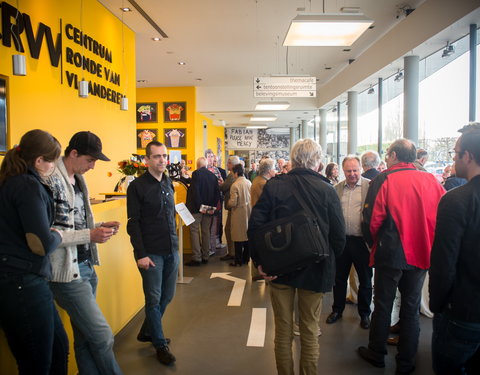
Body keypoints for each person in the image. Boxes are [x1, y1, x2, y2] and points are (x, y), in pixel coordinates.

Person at [249, 139, 346, 375]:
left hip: (280, 268)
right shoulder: (327, 190)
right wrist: (330, 260)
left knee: (283, 331)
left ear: (292, 159)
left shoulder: (275, 186)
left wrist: (260, 262)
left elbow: (255, 226)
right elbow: (338, 235)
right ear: (318, 161)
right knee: (310, 331)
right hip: (316, 269)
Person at [358, 139, 445, 374]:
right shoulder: (431, 180)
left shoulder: (383, 179)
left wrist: (373, 243)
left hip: (391, 251)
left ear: (395, 155)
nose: (386, 157)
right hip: (422, 251)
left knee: (383, 304)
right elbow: (442, 216)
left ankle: (377, 352)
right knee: (411, 306)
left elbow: (371, 220)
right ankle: (406, 361)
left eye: (387, 154)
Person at [47, 131, 123, 375]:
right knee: (102, 336)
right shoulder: (49, 181)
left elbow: (76, 224)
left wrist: (97, 229)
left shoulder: (78, 179)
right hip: (67, 273)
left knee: (85, 338)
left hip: (87, 266)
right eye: (90, 160)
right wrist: (89, 235)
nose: (92, 166)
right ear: (74, 153)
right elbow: (50, 235)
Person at [0, 130, 68, 374]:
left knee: (58, 348)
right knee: (37, 362)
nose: (53, 166)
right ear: (39, 161)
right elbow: (40, 244)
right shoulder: (28, 185)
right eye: (51, 160)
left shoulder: (11, 180)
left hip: (19, 279)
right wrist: (57, 234)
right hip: (22, 281)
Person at [429, 123, 480, 375]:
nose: (453, 157)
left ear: (468, 157)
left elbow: (443, 264)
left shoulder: (456, 200)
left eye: (455, 152)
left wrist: (438, 306)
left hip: (462, 311)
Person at [127, 141, 179, 366]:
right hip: (151, 253)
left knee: (167, 296)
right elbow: (134, 223)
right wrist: (140, 254)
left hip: (171, 249)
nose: (161, 160)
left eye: (164, 156)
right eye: (156, 156)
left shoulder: (168, 182)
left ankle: (147, 331)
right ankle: (159, 344)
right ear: (147, 159)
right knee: (154, 299)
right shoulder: (137, 187)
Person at [326, 156, 372, 329]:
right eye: (348, 171)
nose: (352, 174)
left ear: (360, 168)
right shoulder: (337, 189)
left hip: (362, 242)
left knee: (365, 280)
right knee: (339, 278)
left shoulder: (370, 186)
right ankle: (337, 310)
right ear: (343, 171)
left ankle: (365, 313)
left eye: (355, 170)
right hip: (342, 242)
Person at [185, 157, 220, 266]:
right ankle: (205, 256)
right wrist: (211, 207)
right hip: (209, 208)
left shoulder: (196, 174)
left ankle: (197, 258)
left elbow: (195, 191)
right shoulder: (213, 177)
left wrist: (200, 206)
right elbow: (217, 194)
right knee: (206, 231)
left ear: (197, 165)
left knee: (194, 231)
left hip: (197, 208)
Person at [227, 164, 252, 266]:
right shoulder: (248, 182)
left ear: (236, 173)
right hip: (248, 211)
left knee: (238, 237)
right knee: (246, 236)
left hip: (238, 212)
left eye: (232, 172)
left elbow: (233, 202)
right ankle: (246, 259)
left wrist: (228, 202)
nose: (232, 174)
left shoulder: (235, 185)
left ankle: (238, 261)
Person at [219, 155, 241, 261]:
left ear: (232, 164)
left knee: (229, 229)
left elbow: (224, 187)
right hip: (235, 207)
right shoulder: (236, 176)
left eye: (228, 162)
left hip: (232, 207)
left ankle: (232, 252)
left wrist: (219, 184)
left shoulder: (231, 175)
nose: (227, 164)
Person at [205, 149, 224, 255]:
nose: (211, 158)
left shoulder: (216, 169)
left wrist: (220, 183)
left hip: (216, 200)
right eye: (208, 156)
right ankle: (208, 248)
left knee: (214, 225)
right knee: (207, 224)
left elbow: (222, 183)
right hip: (207, 201)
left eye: (212, 156)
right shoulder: (204, 170)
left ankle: (212, 247)